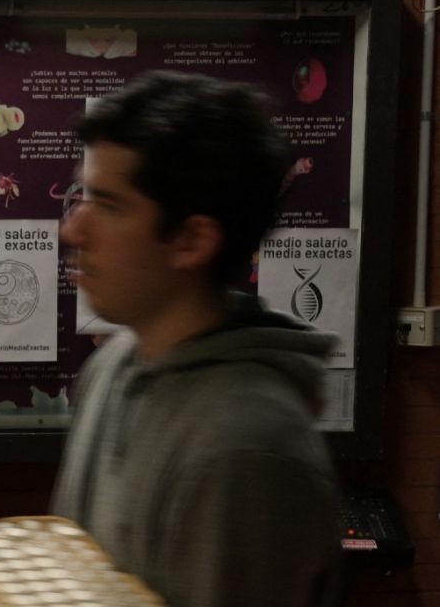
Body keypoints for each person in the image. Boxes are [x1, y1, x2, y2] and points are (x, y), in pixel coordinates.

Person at [51, 71, 342, 607]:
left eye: (109, 205)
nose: (72, 230)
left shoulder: (248, 449)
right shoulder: (112, 366)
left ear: (191, 240)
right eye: (81, 196)